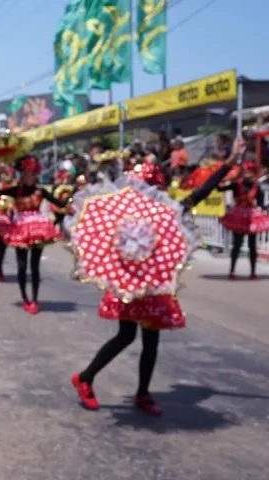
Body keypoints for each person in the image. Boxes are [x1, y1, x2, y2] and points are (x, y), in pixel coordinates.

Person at [70, 137, 245, 416]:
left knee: (152, 340)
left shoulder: (166, 212)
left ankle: (143, 393)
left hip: (155, 285)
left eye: (153, 187)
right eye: (145, 186)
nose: (149, 191)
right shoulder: (120, 211)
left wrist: (231, 163)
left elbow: (201, 192)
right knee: (126, 336)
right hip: (127, 283)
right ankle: (85, 377)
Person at [0, 155, 68, 314]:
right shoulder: (16, 190)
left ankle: (34, 299)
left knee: (35, 266)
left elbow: (60, 204)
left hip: (39, 229)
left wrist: (74, 194)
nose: (31, 177)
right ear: (22, 175)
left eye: (33, 174)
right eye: (28, 174)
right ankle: (25, 298)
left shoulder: (41, 191)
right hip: (20, 229)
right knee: (21, 266)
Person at [217, 160, 269, 279]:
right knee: (237, 245)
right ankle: (232, 271)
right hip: (238, 217)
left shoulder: (257, 187)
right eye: (245, 172)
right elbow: (219, 189)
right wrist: (223, 178)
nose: (247, 174)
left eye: (250, 172)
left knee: (252, 246)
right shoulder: (236, 185)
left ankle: (253, 272)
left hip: (251, 217)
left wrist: (265, 209)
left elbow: (261, 204)